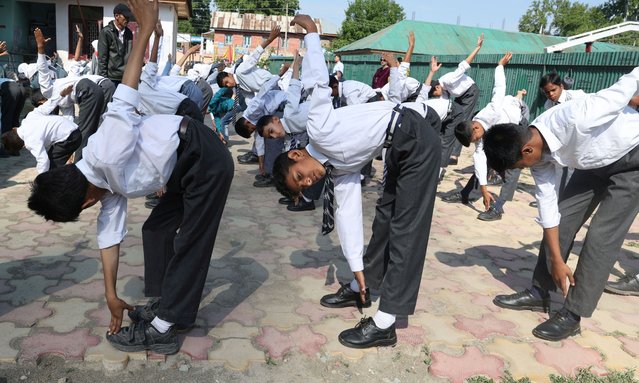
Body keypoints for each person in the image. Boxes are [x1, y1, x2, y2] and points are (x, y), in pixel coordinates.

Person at [27, 0, 234, 354]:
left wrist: (145, 30)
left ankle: (166, 326)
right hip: (182, 166)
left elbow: (125, 93)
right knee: (155, 230)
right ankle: (168, 304)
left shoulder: (103, 154)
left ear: (85, 199)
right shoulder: (99, 186)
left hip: (203, 157)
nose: (93, 209)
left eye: (85, 209)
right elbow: (109, 238)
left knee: (191, 241)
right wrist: (111, 294)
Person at [272, 14, 440, 349]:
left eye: (299, 177)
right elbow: (347, 217)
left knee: (406, 231)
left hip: (415, 137)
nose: (308, 183)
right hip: (398, 148)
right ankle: (364, 286)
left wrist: (313, 36)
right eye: (303, 188)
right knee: (384, 222)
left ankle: (387, 320)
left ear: (295, 156)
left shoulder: (319, 131)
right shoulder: (337, 170)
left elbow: (318, 83)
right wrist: (356, 269)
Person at [483, 66, 639, 341]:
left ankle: (573, 313)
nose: (522, 170)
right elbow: (548, 209)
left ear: (526, 150)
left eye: (518, 166)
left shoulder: (579, 116)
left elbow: (630, 80)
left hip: (632, 160)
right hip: (592, 164)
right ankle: (539, 291)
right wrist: (556, 259)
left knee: (601, 237)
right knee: (562, 221)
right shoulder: (538, 153)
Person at [442, 52, 529, 222]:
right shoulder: (478, 132)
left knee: (513, 166)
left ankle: (498, 207)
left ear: (475, 128)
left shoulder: (493, 111)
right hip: (501, 132)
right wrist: (484, 189)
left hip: (518, 123)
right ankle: (468, 194)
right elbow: (480, 160)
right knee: (484, 161)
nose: (476, 142)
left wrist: (500, 66)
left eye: (474, 139)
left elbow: (499, 88)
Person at [429, 35, 484, 165]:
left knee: (463, 121)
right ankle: (447, 151)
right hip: (460, 96)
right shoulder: (442, 90)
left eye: (435, 93)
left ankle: (454, 155)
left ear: (437, 86)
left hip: (470, 91)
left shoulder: (449, 79)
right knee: (454, 119)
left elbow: (464, 65)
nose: (437, 96)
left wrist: (478, 47)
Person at [1, 86, 81, 171]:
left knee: (51, 165)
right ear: (14, 128)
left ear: (23, 146)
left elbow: (43, 161)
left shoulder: (30, 142)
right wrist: (60, 95)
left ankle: (48, 182)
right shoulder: (29, 118)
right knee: (52, 160)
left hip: (69, 137)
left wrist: (40, 178)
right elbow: (47, 106)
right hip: (72, 129)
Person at [97, 3, 134, 85]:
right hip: (112, 79)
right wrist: (104, 81)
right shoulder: (106, 32)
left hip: (126, 77)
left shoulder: (129, 33)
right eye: (125, 17)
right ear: (117, 16)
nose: (127, 19)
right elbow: (102, 58)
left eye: (128, 17)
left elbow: (130, 54)